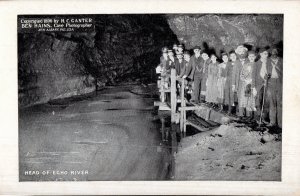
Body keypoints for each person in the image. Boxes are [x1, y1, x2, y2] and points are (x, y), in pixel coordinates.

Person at [252, 47, 272, 124]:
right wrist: (253, 87)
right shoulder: (256, 64)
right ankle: (258, 118)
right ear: (260, 54)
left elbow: (270, 72)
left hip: (267, 85)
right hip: (258, 86)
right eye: (264, 53)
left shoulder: (268, 63)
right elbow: (253, 76)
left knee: (266, 102)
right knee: (258, 101)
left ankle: (264, 118)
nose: (266, 55)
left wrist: (268, 76)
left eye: (267, 54)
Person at [266, 48, 282, 127]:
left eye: (276, 51)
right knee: (272, 103)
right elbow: (265, 71)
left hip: (280, 82)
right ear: (270, 53)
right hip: (271, 82)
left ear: (278, 52)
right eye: (273, 52)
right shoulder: (268, 61)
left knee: (280, 103)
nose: (274, 53)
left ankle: (280, 123)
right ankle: (272, 122)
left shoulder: (281, 60)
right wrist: (266, 76)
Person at [237, 51, 257, 118]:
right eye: (250, 56)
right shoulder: (245, 65)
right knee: (246, 99)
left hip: (254, 84)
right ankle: (246, 115)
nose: (251, 58)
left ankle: (251, 116)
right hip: (246, 84)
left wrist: (252, 80)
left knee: (252, 100)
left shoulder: (257, 65)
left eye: (253, 56)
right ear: (248, 57)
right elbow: (241, 75)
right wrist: (245, 80)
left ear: (255, 57)